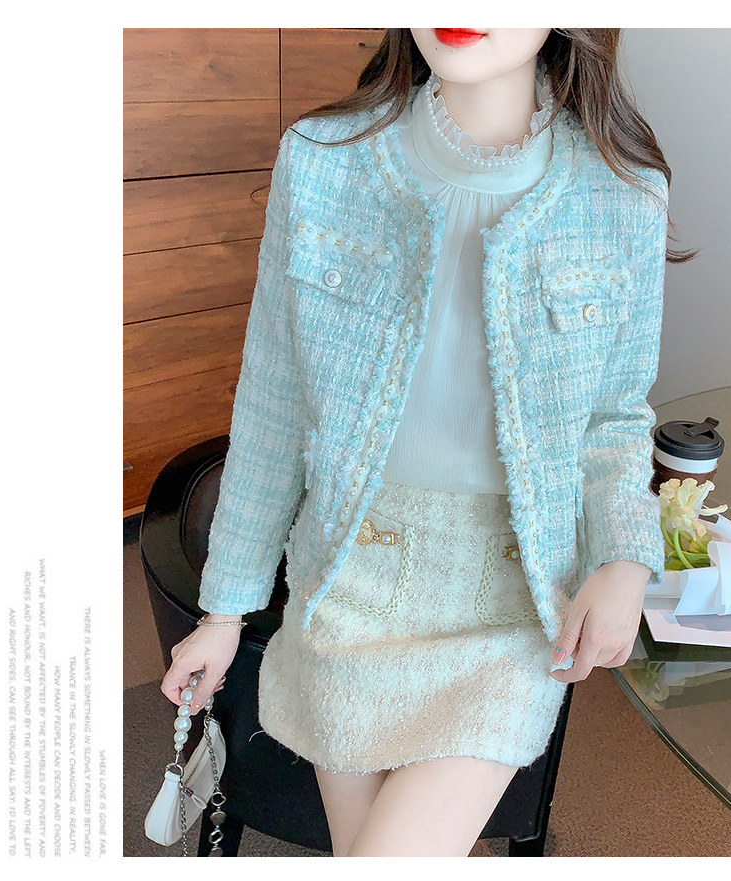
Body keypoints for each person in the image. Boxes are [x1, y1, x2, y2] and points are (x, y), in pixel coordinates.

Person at [160, 28, 695, 857]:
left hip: (509, 604)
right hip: (351, 581)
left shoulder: (622, 190)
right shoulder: (324, 160)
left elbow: (614, 414)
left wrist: (626, 556)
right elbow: (273, 400)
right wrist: (224, 609)